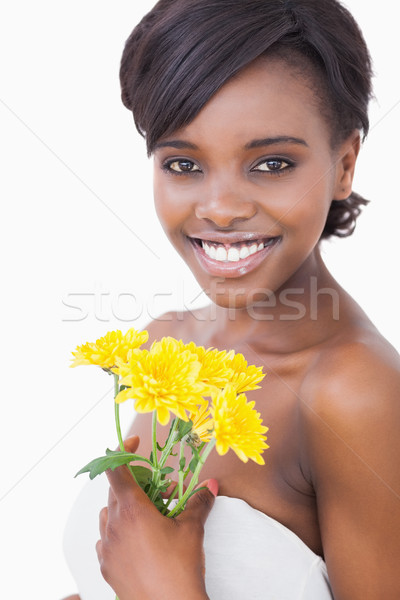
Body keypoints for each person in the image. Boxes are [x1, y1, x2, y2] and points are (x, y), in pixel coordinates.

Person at [63, 0, 400, 598]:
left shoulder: (354, 394)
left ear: (344, 165)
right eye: (183, 163)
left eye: (271, 163)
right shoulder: (162, 345)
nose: (220, 208)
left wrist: (166, 589)